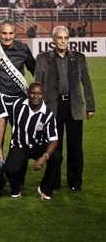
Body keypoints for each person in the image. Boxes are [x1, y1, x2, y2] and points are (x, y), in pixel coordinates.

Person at [34, 26, 95, 192]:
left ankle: (75, 181)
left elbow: (86, 83)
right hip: (52, 108)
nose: (63, 41)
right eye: (59, 38)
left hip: (73, 106)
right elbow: (37, 84)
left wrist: (90, 106)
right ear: (53, 40)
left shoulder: (79, 58)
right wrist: (37, 108)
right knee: (55, 146)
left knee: (75, 147)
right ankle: (54, 180)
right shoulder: (43, 58)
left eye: (65, 38)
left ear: (68, 40)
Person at [3, 82, 62, 200]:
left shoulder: (48, 114)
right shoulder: (17, 104)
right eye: (33, 93)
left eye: (39, 94)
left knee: (56, 157)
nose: (36, 96)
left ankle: (45, 188)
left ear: (43, 95)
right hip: (19, 145)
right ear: (28, 94)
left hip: (38, 146)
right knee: (9, 169)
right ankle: (16, 189)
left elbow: (54, 140)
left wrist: (44, 156)